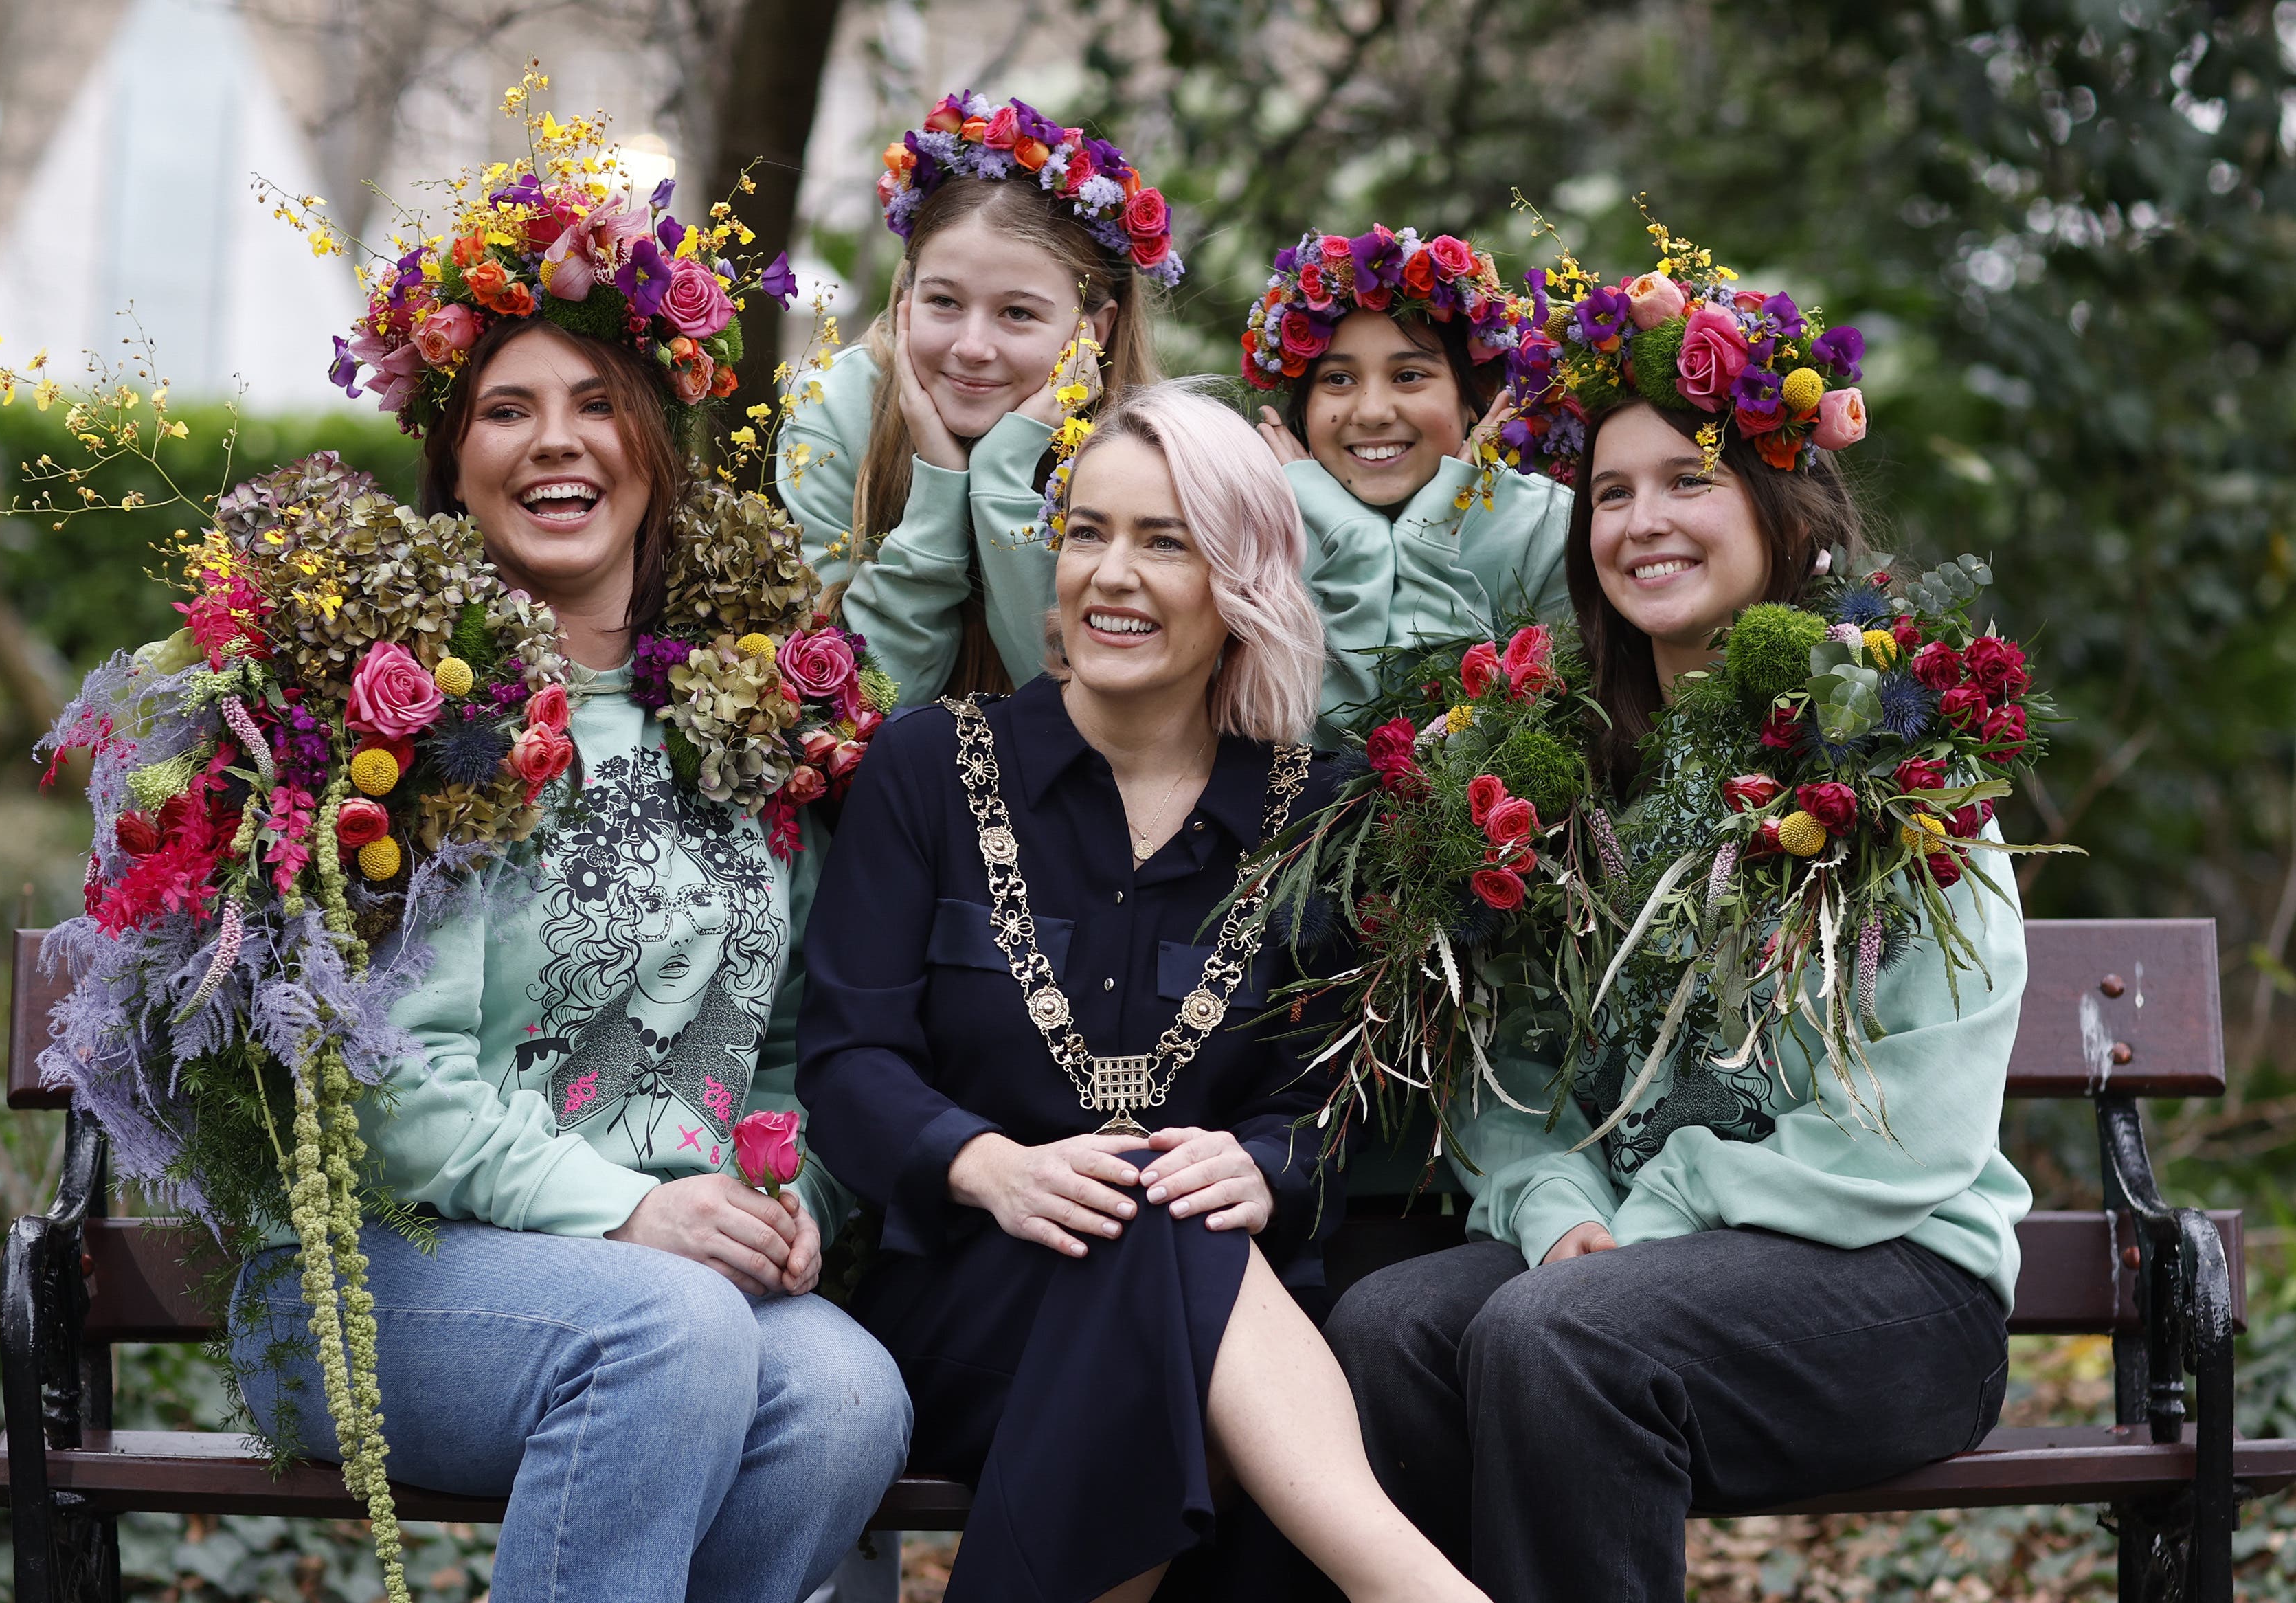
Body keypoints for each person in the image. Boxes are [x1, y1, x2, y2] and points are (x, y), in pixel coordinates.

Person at [234, 167, 910, 1603]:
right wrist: (624, 1212)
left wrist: (786, 1193)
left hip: (677, 1275)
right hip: (385, 1271)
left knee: (850, 1395)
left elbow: (795, 1040)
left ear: (656, 445)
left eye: (597, 403)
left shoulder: (748, 712)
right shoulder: (393, 719)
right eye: (506, 408)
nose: (559, 442)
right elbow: (385, 1078)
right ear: (454, 458)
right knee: (670, 1334)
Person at [1324, 270, 2028, 1600]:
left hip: (1887, 1273)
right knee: (1389, 1324)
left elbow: (1918, 1123)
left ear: (1780, 504)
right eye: (1608, 492)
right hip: (1618, 1254)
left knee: (1559, 1331)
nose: (1641, 521)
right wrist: (1553, 1198)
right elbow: (1506, 1061)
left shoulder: (1893, 743)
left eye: (1686, 480)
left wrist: (1647, 1212)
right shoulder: (1551, 759)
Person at [798, 381, 1490, 1603]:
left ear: (1240, 583)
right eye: (1088, 532)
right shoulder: (925, 768)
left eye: (1164, 541)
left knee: (1165, 1221)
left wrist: (1262, 1164)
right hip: (970, 1304)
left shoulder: (1317, 813)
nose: (1110, 575)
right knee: (1153, 1241)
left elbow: (1339, 1102)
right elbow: (847, 1059)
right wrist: (982, 1163)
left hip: (1217, 1315)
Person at [776, 91, 1171, 704]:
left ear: (1092, 331)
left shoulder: (1149, 452)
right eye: (944, 302)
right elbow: (867, 704)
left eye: (1017, 313)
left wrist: (1004, 471)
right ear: (906, 297)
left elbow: (1072, 700)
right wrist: (937, 486)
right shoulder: (837, 408)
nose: (971, 346)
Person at [1242, 225, 1574, 725]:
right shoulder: (1253, 535)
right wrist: (1356, 540)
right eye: (1337, 380)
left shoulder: (1550, 528)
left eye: (1408, 376)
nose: (1373, 412)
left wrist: (1429, 534)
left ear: (1473, 393)